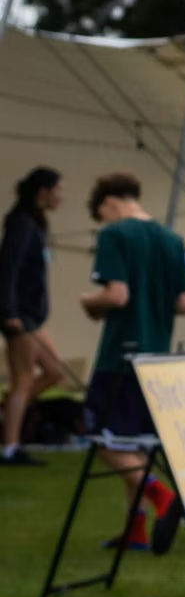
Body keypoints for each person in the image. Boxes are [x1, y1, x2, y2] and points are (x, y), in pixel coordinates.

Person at [80, 173, 185, 551]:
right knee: (138, 445)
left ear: (109, 203)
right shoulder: (172, 240)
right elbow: (183, 303)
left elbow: (116, 295)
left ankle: (159, 494)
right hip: (157, 358)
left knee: (102, 438)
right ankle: (135, 530)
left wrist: (87, 301)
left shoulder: (115, 235)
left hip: (120, 356)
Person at [1, 167, 68, 465]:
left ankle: (10, 411)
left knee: (55, 372)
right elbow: (8, 269)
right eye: (58, 190)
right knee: (24, 378)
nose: (61, 196)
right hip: (20, 316)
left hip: (32, 317)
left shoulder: (36, 224)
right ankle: (10, 446)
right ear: (43, 191)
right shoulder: (23, 224)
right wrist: (9, 311)